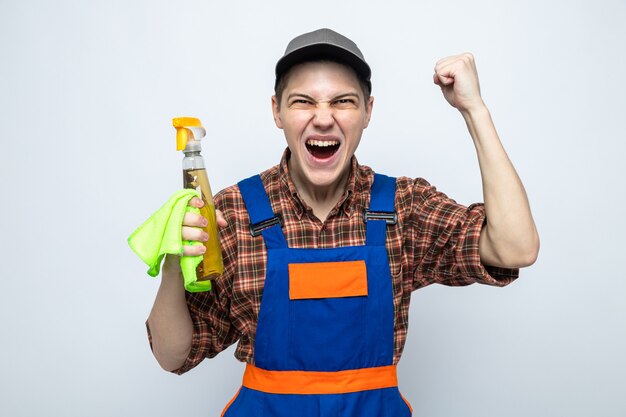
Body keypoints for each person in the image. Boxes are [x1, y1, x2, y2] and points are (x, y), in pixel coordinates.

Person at [146, 28, 539, 416]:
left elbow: (515, 248)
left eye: (343, 102)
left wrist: (475, 111)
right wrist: (173, 265)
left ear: (368, 111)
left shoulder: (404, 208)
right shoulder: (233, 213)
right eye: (303, 102)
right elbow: (171, 355)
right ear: (277, 111)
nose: (322, 119)